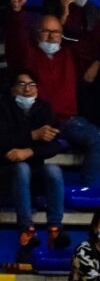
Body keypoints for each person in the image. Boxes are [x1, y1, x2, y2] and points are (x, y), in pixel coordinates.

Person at [6, 0, 100, 190]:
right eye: (45, 31)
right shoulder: (28, 55)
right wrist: (17, 12)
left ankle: (87, 190)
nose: (51, 36)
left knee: (99, 140)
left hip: (67, 120)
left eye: (55, 32)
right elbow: (16, 40)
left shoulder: (69, 54)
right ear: (36, 33)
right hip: (35, 120)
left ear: (61, 34)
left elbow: (92, 43)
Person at [0, 70, 67, 258]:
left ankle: (55, 229)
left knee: (54, 170)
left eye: (32, 85)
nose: (27, 89)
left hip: (34, 170)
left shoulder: (44, 109)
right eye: (22, 85)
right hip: (6, 172)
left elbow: (53, 146)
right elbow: (2, 141)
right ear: (13, 90)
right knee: (21, 168)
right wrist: (33, 136)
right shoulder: (3, 108)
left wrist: (28, 151)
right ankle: (27, 229)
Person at [48, 0, 100, 125]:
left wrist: (96, 65)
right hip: (65, 62)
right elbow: (52, 40)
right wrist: (63, 16)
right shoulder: (54, 9)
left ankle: (94, 127)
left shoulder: (93, 10)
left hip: (89, 62)